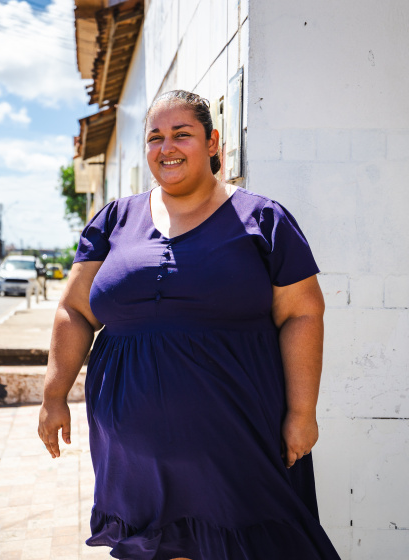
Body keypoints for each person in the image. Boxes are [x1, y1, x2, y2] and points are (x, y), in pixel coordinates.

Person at [37, 90, 340, 559]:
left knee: (249, 545)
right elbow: (75, 311)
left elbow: (303, 313)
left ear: (213, 142)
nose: (167, 148)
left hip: (236, 439)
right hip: (133, 455)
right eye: (155, 137)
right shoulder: (115, 220)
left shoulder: (263, 220)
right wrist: (54, 395)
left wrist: (302, 413)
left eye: (182, 134)